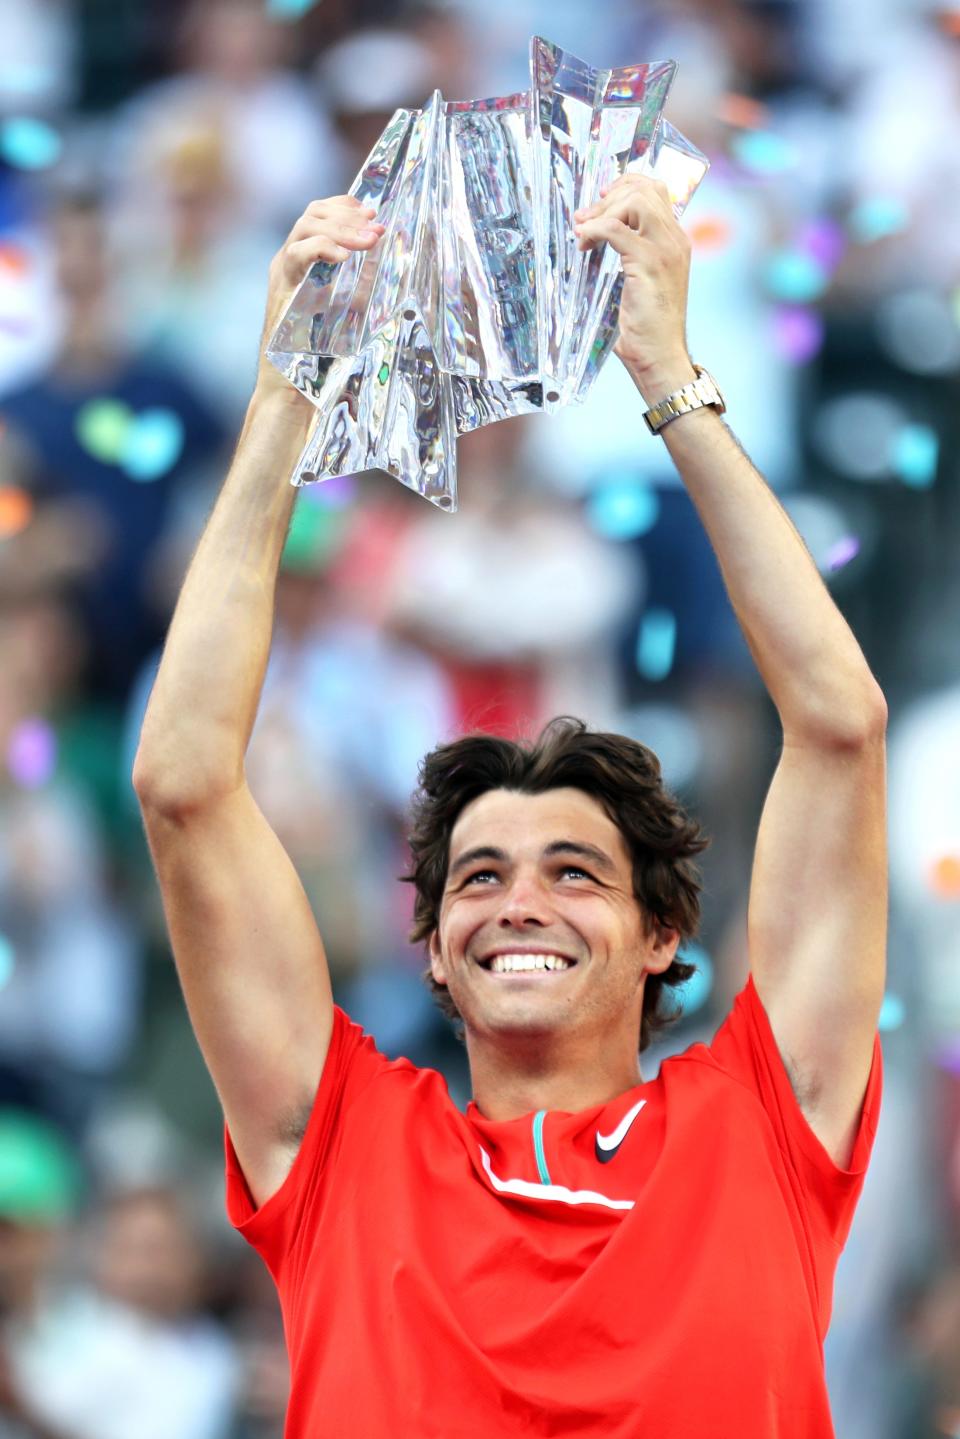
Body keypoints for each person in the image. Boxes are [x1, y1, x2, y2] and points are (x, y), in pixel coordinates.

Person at [132, 181, 888, 1437]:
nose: (516, 901)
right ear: (431, 947)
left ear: (663, 935)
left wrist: (671, 380)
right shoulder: (339, 1146)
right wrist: (286, 402)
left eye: (575, 873)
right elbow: (186, 785)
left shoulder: (764, 1120)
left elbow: (840, 726)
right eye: (477, 878)